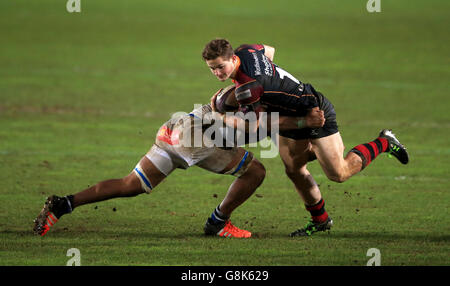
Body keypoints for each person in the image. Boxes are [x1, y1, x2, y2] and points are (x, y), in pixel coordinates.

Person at [33, 86, 325, 238]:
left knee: (132, 184)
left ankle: (63, 204)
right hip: (194, 139)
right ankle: (218, 223)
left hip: (175, 127)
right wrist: (302, 124)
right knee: (256, 171)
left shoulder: (240, 94)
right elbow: (259, 129)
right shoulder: (254, 106)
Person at [202, 38, 409, 236]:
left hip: (313, 110)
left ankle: (384, 142)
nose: (217, 73)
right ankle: (320, 221)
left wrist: (220, 116)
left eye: (221, 66)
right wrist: (272, 87)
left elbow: (255, 125)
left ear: (231, 58)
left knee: (339, 173)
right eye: (212, 68)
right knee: (294, 168)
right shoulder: (247, 50)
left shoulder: (248, 88)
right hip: (288, 113)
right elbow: (270, 51)